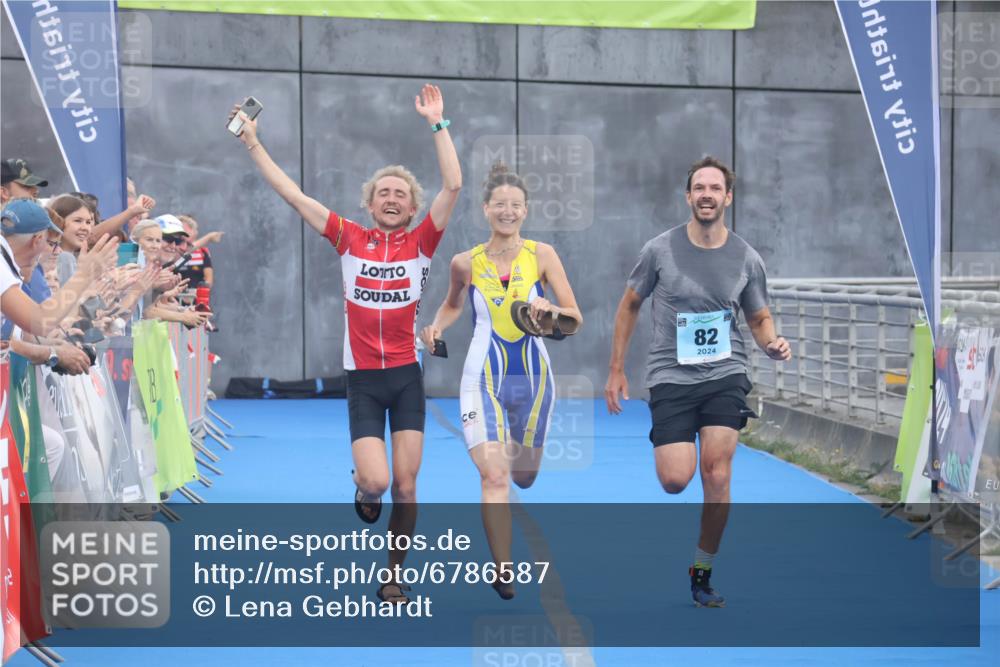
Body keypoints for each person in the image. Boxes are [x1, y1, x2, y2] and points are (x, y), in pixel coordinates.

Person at [230, 84, 461, 604]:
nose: (392, 198)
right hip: (363, 380)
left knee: (406, 486)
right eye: (383, 193)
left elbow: (453, 184)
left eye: (400, 194)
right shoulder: (349, 237)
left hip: (406, 376)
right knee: (377, 483)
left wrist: (437, 123)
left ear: (412, 207)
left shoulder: (422, 242)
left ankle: (394, 574)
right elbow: (294, 196)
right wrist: (252, 142)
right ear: (370, 203)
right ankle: (362, 485)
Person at [604, 156, 791, 608]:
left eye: (715, 188)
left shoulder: (746, 257)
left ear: (728, 197)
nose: (707, 195)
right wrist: (616, 368)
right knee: (675, 479)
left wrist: (770, 343)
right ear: (688, 196)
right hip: (671, 375)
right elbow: (629, 305)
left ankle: (702, 571)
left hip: (725, 373)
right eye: (700, 188)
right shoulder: (659, 250)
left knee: (717, 471)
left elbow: (759, 317)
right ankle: (684, 497)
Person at [420, 162, 582, 599]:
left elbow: (575, 317)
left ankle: (512, 448)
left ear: (525, 210)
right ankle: (503, 568)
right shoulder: (465, 263)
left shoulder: (542, 255)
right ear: (485, 209)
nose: (507, 212)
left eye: (515, 205)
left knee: (524, 477)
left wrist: (551, 313)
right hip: (482, 380)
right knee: (495, 476)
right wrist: (436, 326)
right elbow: (453, 305)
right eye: (500, 204)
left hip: (534, 382)